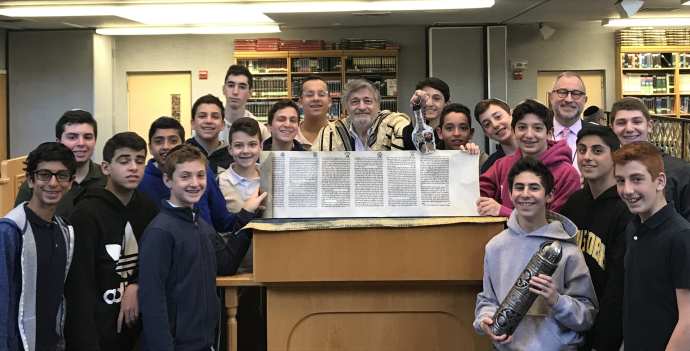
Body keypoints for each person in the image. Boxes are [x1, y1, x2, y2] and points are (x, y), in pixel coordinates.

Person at [473, 157, 598, 350]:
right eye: (519, 187)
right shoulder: (495, 247)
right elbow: (488, 300)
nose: (525, 194)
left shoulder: (568, 251)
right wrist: (485, 320)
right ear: (509, 193)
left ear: (549, 195)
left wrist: (556, 300)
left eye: (534, 187)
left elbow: (587, 315)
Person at [139, 144, 254, 351]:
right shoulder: (160, 232)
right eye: (185, 177)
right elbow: (152, 303)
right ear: (168, 180)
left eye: (200, 176)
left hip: (204, 342)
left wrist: (248, 217)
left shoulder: (201, 226)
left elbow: (225, 264)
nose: (195, 183)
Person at [64, 132, 158, 351]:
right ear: (106, 168)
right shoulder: (86, 213)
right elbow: (79, 286)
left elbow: (155, 258)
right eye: (124, 161)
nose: (134, 167)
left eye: (139, 160)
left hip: (138, 330)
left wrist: (136, 283)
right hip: (99, 331)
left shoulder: (148, 207)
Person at [613, 141, 690, 350]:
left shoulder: (681, 237)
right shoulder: (633, 228)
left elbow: (688, 321)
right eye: (621, 181)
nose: (628, 190)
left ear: (660, 181)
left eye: (637, 179)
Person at [560, 124, 631, 350]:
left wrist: (605, 340)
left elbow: (619, 285)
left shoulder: (626, 209)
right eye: (582, 150)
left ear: (615, 156)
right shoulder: (573, 204)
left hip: (608, 330)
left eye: (597, 151)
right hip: (573, 324)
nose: (587, 157)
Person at [1, 142, 77, 351]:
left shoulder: (64, 231)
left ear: (71, 182)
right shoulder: (10, 231)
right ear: (30, 180)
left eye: (61, 175)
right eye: (44, 174)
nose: (53, 183)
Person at [137, 116, 265, 234]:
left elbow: (223, 222)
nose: (166, 146)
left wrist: (247, 213)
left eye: (173, 140)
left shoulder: (206, 174)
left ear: (183, 144)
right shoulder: (141, 181)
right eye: (159, 141)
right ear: (168, 180)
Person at [478, 99, 580, 217]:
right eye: (522, 127)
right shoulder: (501, 165)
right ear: (514, 130)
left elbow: (556, 223)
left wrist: (503, 212)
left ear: (549, 132)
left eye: (537, 128)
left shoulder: (567, 174)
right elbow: (474, 196)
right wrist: (465, 160)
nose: (529, 135)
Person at [610, 96, 690, 221]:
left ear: (650, 126)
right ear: (612, 128)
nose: (629, 129)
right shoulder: (608, 168)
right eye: (621, 123)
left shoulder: (681, 172)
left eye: (637, 121)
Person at [14, 109, 106, 216]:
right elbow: (19, 224)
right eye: (72, 137)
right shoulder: (38, 182)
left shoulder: (107, 179)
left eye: (87, 137)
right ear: (59, 142)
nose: (81, 143)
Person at [314, 78, 409, 151]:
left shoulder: (393, 123)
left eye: (367, 101)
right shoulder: (329, 133)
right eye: (355, 101)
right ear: (346, 107)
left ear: (378, 105)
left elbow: (413, 137)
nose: (362, 107)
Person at [221, 64, 270, 143]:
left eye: (242, 87)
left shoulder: (260, 129)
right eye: (231, 85)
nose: (235, 92)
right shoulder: (211, 126)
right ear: (223, 89)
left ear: (250, 93)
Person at [549, 71, 588, 168]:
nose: (569, 100)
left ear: (585, 100)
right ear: (551, 97)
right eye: (562, 92)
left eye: (576, 94)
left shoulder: (598, 136)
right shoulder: (537, 134)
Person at [187, 94, 233, 174]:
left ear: (223, 125)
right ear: (193, 124)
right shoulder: (181, 155)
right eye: (202, 116)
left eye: (215, 117)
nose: (208, 121)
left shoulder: (232, 156)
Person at [403, 77, 451, 150]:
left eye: (436, 98)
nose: (429, 103)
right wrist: (417, 110)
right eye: (425, 98)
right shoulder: (408, 131)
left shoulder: (452, 131)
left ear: (447, 104)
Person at [436, 103, 488, 169]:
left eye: (463, 128)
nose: (456, 133)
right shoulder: (430, 158)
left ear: (471, 133)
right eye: (449, 128)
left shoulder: (480, 159)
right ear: (440, 133)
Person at [474, 98, 518, 174]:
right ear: (485, 133)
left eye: (498, 117)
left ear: (511, 115)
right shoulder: (490, 167)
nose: (495, 125)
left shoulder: (536, 150)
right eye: (487, 124)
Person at [297, 75, 332, 150]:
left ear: (329, 101)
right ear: (300, 102)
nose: (316, 98)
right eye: (309, 95)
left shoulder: (339, 136)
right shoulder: (290, 135)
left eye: (321, 94)